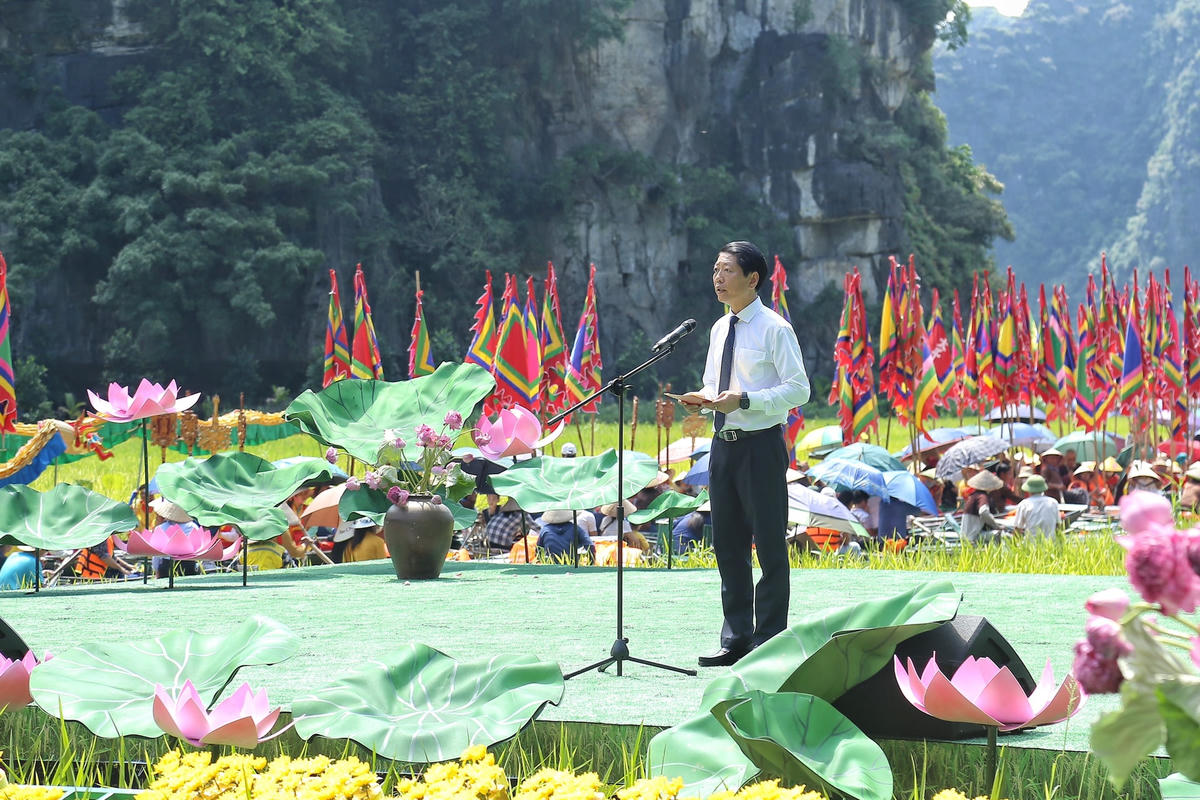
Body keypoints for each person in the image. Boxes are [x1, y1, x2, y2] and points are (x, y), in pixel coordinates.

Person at [674, 240, 810, 666]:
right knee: (727, 544)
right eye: (715, 269)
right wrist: (703, 398)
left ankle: (769, 641)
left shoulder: (774, 328)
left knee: (769, 545)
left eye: (727, 270)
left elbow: (799, 388)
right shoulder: (718, 328)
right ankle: (734, 639)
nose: (718, 278)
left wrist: (745, 401)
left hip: (761, 446)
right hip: (722, 447)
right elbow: (718, 386)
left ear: (753, 279)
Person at [960, 471, 1005, 544]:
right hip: (973, 536)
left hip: (966, 535)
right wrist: (996, 526)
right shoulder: (982, 497)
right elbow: (983, 512)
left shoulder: (973, 496)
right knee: (1002, 535)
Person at [1011, 475, 1061, 540]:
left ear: (1028, 490)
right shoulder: (1053, 502)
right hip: (1050, 545)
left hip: (1031, 545)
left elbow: (1018, 529)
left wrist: (1015, 546)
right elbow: (1058, 526)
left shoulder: (1024, 504)